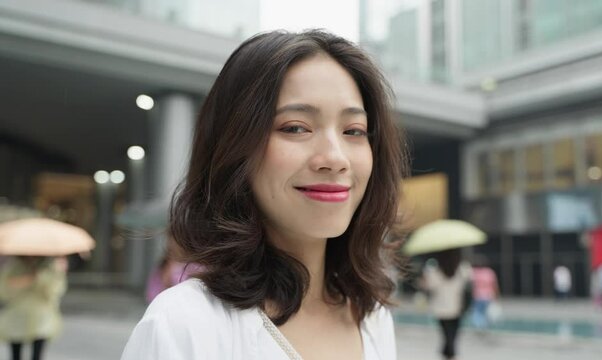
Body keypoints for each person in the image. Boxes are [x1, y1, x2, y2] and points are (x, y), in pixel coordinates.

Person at [121, 29, 409, 360]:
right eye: (296, 127)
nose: (335, 158)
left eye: (353, 131)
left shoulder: (372, 317)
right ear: (234, 148)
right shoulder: (186, 323)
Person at [0, 256, 67, 360]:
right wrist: (23, 281)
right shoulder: (13, 267)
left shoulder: (49, 267)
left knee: (37, 353)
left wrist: (40, 277)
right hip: (17, 315)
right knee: (16, 353)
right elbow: (4, 291)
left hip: (41, 317)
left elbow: (55, 291)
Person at [422, 249, 472, 360]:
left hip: (441, 309)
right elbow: (469, 281)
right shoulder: (462, 269)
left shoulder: (435, 271)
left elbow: (429, 287)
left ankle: (448, 354)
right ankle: (450, 354)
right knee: (452, 335)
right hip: (457, 307)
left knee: (447, 335)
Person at [471, 262, 500, 333]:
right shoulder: (489, 272)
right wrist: (497, 295)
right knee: (485, 312)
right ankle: (484, 327)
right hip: (488, 295)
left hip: (477, 296)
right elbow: (494, 285)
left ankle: (479, 327)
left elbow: (471, 285)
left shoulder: (474, 272)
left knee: (478, 312)